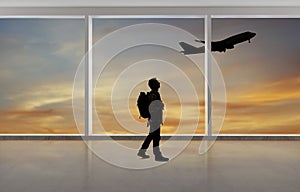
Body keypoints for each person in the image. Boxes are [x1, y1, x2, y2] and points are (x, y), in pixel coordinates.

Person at [137, 78, 169, 161]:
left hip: (153, 119)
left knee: (152, 136)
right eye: (157, 82)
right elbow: (153, 108)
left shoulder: (154, 94)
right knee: (155, 137)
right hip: (154, 120)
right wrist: (160, 106)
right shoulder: (154, 95)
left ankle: (142, 151)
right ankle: (157, 155)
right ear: (154, 85)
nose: (159, 83)